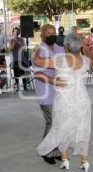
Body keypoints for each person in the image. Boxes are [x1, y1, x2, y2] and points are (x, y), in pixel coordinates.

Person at [35, 32, 93, 172]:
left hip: (63, 102)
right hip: (82, 101)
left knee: (61, 128)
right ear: (79, 46)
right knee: (83, 130)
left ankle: (64, 160)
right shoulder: (85, 60)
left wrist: (42, 42)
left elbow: (37, 61)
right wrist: (85, 46)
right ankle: (84, 162)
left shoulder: (59, 59)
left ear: (66, 46)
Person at [33, 24, 64, 165]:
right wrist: (53, 81)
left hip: (60, 94)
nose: (52, 35)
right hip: (46, 93)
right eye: (49, 34)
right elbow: (38, 74)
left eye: (54, 33)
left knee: (58, 123)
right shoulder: (40, 51)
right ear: (43, 36)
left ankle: (56, 151)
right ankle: (46, 151)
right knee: (52, 123)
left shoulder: (59, 48)